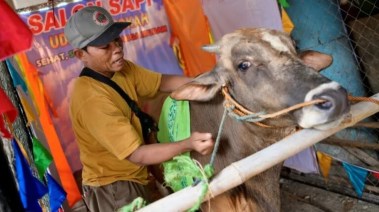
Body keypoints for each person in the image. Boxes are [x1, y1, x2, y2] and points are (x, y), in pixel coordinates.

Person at [64, 6, 214, 212]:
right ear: (80, 54)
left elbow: (162, 82)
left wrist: (205, 82)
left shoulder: (123, 68)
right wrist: (188, 144)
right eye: (104, 46)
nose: (116, 48)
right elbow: (137, 154)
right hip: (115, 187)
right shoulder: (90, 98)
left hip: (137, 176)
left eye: (117, 40)